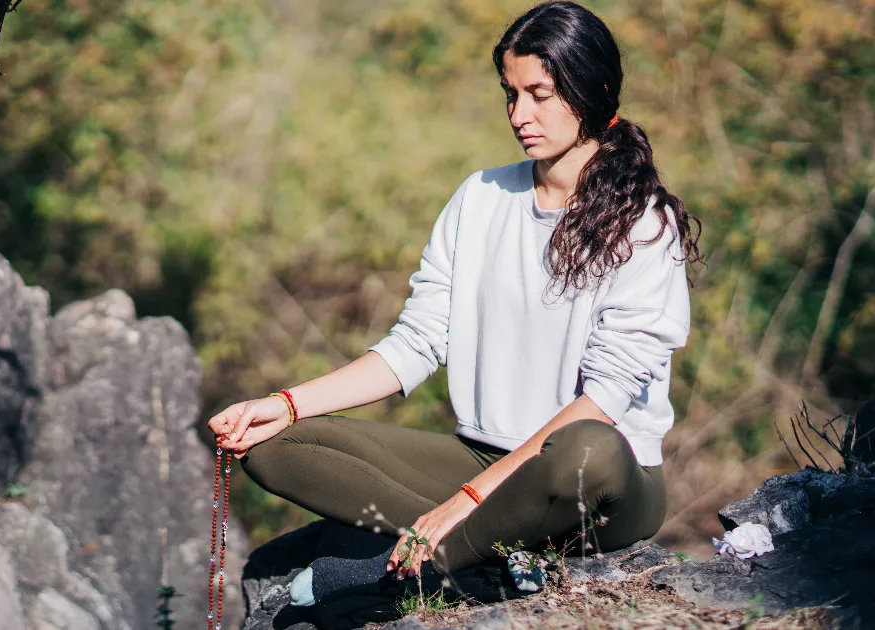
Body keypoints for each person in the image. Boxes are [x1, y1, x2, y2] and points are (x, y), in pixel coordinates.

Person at [207, 0, 703, 608]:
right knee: (275, 444)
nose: (520, 115)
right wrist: (283, 403)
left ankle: (415, 565)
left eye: (540, 94)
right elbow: (415, 345)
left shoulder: (645, 226)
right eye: (510, 94)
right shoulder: (481, 197)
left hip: (595, 481)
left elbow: (602, 404)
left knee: (588, 452)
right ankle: (489, 554)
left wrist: (467, 501)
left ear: (594, 89)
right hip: (480, 454)